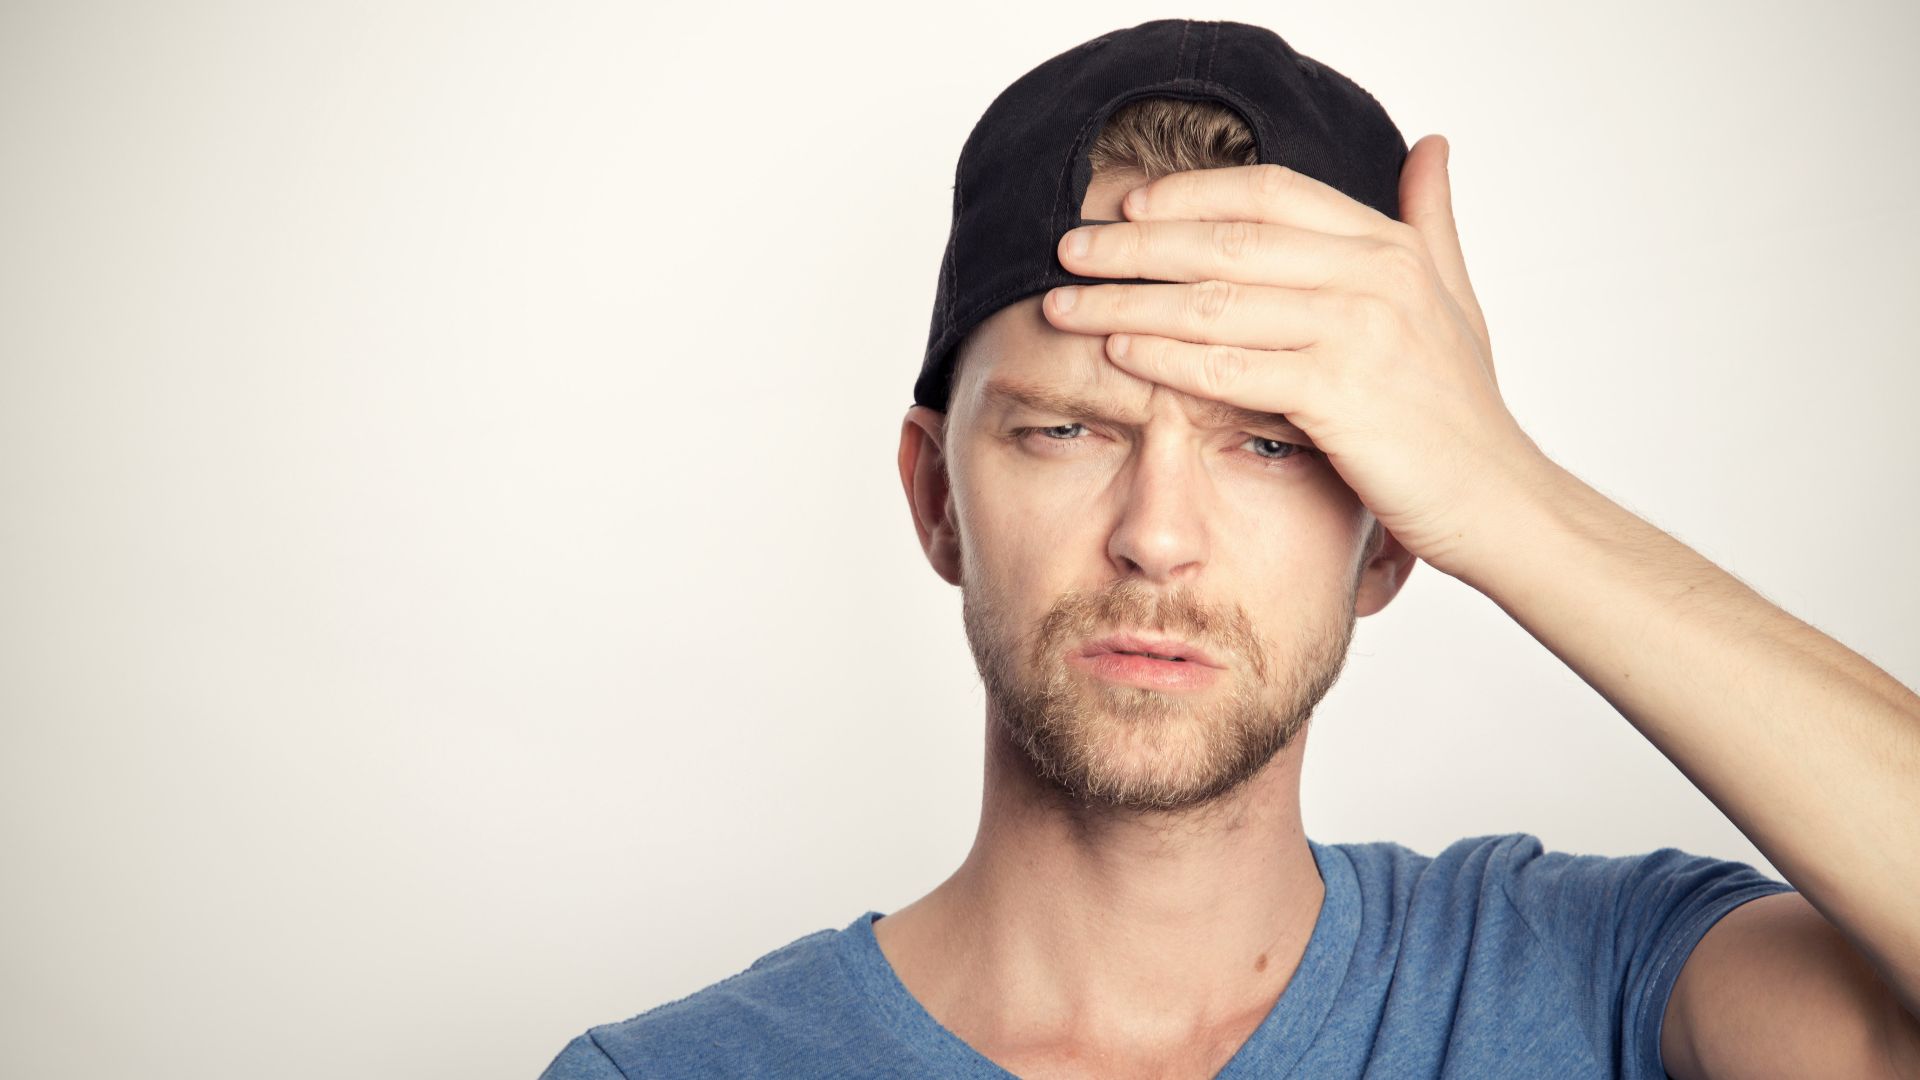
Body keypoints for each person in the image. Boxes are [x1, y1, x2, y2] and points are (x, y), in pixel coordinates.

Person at [539, 19, 1920, 1079]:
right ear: (935, 498)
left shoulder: (1599, 982)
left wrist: (1510, 496)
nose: (1156, 535)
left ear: (1391, 543)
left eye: (1270, 444)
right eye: (1069, 431)